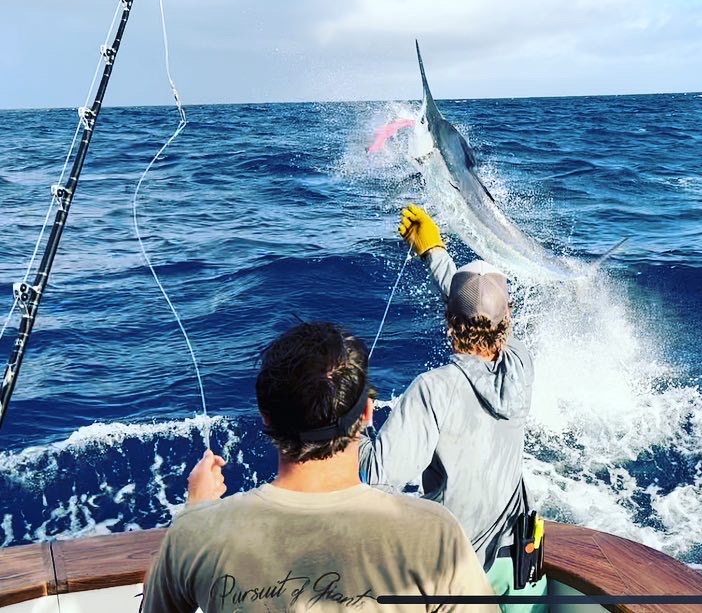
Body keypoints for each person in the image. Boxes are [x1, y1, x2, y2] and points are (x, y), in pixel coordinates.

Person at [141, 321, 497, 612]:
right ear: (368, 414)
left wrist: (197, 510)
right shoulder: (435, 533)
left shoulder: (194, 533)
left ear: (267, 418)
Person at [359, 205, 547, 612]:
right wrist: (436, 254)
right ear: (507, 320)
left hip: (460, 574)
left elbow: (374, 476)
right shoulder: (522, 367)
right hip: (523, 568)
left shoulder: (434, 389)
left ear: (447, 324)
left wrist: (354, 425)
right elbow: (477, 310)